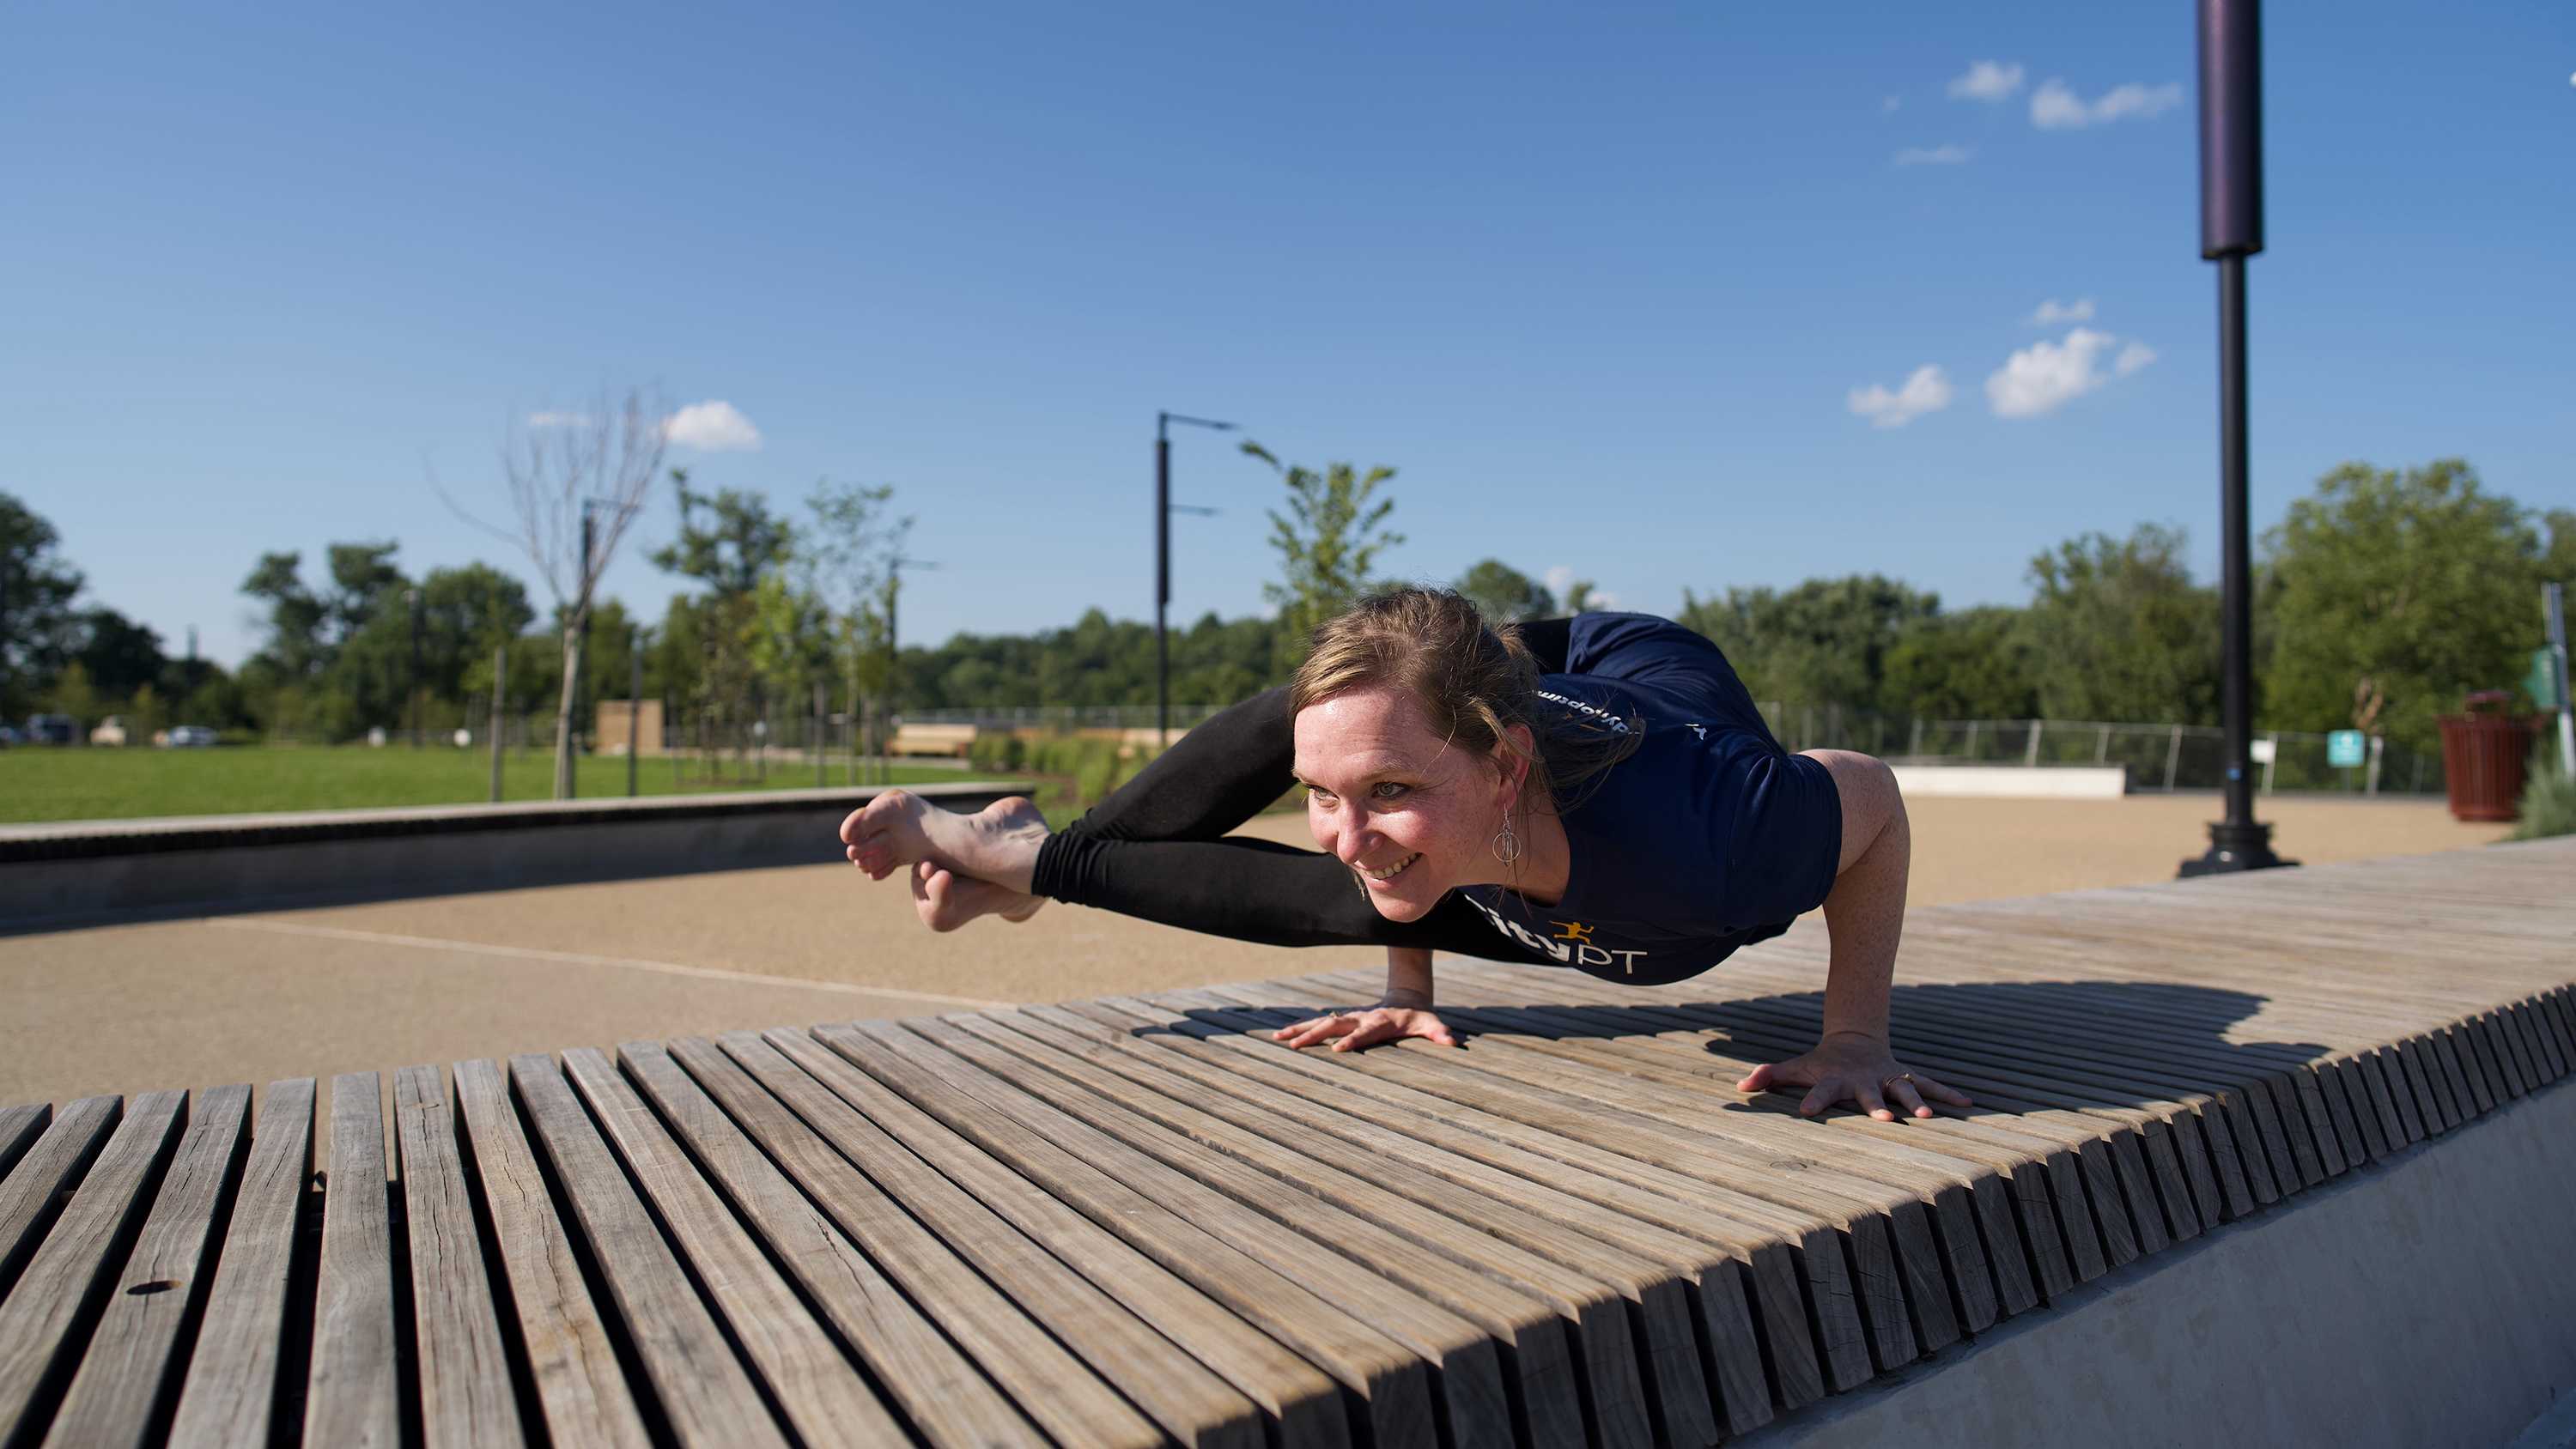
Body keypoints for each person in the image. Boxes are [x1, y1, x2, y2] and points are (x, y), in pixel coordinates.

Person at [843, 587, 1969, 1122]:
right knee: (1345, 739)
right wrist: (1404, 978)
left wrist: (1856, 1036)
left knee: (1393, 773)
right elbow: (1381, 837)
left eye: (1388, 794)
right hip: (1508, 754)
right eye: (1320, 799)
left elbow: (1869, 796)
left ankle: (1015, 853)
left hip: (1625, 694)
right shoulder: (1432, 806)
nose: (1341, 834)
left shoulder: (1719, 839)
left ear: (1507, 767)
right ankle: (1022, 858)